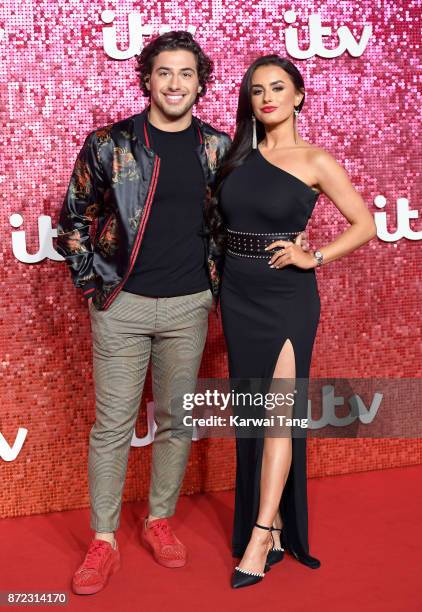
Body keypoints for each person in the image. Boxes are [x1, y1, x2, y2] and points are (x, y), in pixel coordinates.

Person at [56, 31, 233, 595]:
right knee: (112, 427)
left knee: (177, 422)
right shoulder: (110, 144)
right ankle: (103, 539)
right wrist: (96, 289)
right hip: (123, 307)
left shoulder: (219, 149)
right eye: (164, 73)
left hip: (188, 307)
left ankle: (159, 520)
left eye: (186, 73)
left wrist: (216, 289)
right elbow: (73, 219)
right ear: (147, 80)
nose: (175, 83)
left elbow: (233, 223)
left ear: (200, 82)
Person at [209, 55, 376, 588]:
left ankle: (260, 535)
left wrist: (316, 256)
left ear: (300, 94)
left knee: (278, 413)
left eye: (278, 87)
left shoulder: (316, 160)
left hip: (287, 298)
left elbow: (365, 224)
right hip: (237, 295)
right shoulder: (235, 156)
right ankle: (275, 522)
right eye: (257, 90)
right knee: (253, 416)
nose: (267, 98)